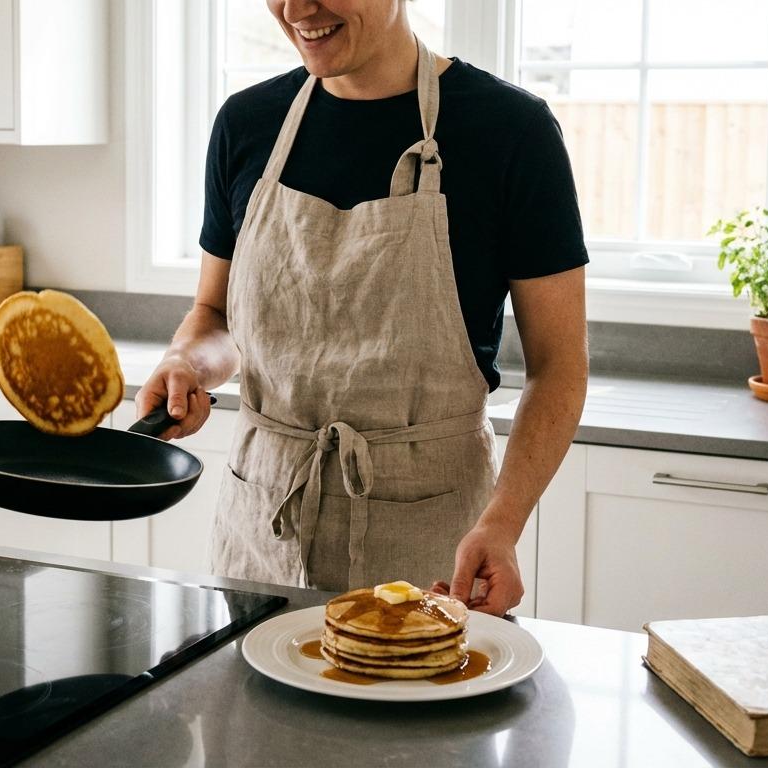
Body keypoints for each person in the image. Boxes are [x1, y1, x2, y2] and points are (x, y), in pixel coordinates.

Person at [138, 0, 588, 616]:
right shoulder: (248, 124)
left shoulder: (509, 130)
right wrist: (186, 361)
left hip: (431, 544)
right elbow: (214, 314)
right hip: (261, 533)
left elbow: (559, 366)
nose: (297, 9)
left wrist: (503, 525)